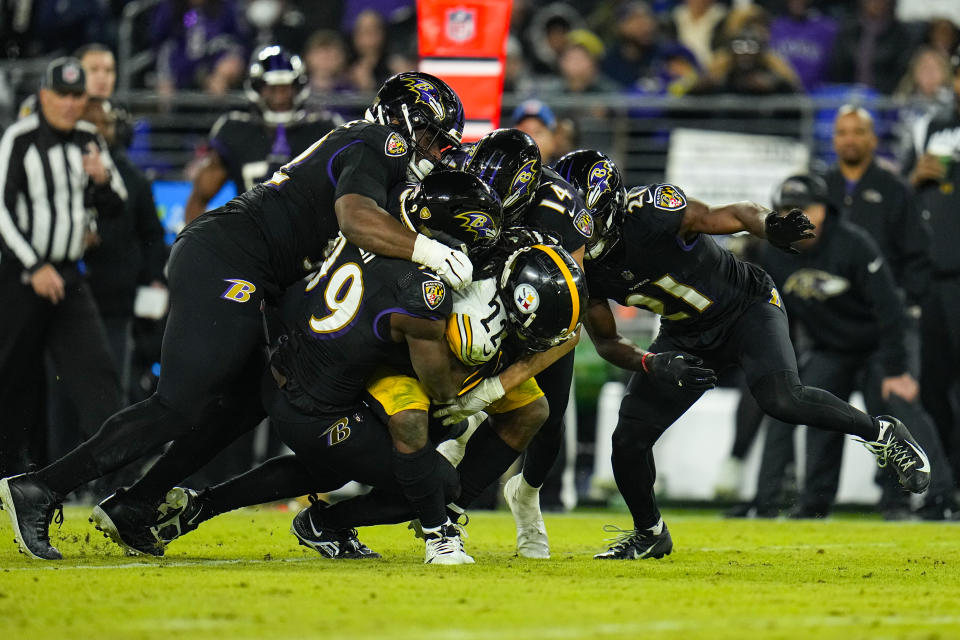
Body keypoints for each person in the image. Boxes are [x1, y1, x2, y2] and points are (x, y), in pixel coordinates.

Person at [0, 71, 473, 561]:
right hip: (228, 258)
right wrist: (430, 252)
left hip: (254, 270)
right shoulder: (380, 141)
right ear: (402, 120)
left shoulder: (369, 151)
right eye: (432, 137)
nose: (436, 152)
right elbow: (355, 219)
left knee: (246, 402)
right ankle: (40, 488)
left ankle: (138, 504)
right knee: (178, 403)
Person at [96, 170, 503, 563]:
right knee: (439, 481)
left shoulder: (374, 220)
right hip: (319, 407)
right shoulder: (423, 292)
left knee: (327, 470)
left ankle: (195, 508)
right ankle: (343, 524)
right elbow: (440, 387)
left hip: (282, 365)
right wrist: (480, 387)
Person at [560, 149, 931, 559]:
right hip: (684, 333)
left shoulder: (651, 211)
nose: (575, 233)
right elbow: (608, 341)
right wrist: (652, 361)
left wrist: (770, 226)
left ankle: (881, 433)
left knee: (781, 397)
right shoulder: (582, 266)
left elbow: (735, 213)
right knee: (628, 438)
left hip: (745, 306)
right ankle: (650, 532)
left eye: (582, 222)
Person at [743, 175, 954, 520]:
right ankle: (812, 502)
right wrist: (784, 362)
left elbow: (890, 309)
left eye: (805, 208)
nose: (796, 216)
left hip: (879, 344)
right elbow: (778, 314)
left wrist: (897, 368)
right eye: (785, 210)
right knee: (806, 404)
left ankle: (932, 499)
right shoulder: (775, 253)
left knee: (898, 404)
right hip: (831, 347)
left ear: (825, 210)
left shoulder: (854, 243)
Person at [0, 57, 126, 481]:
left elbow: (117, 206)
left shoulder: (90, 139)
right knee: (14, 378)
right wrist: (33, 265)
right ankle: (13, 475)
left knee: (99, 377)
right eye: (63, 96)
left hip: (70, 277)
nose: (71, 105)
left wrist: (103, 180)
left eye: (78, 97)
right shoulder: (18, 139)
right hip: (21, 278)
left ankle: (120, 485)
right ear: (44, 96)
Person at [184, 45, 340, 223]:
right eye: (272, 89)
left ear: (298, 87)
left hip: (313, 240)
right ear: (257, 88)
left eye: (286, 88)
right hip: (256, 238)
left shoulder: (323, 129)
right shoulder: (236, 131)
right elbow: (199, 198)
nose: (280, 97)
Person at [905, 48, 960, 490]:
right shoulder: (933, 126)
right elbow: (909, 199)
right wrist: (913, 177)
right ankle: (947, 482)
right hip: (934, 277)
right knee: (933, 386)